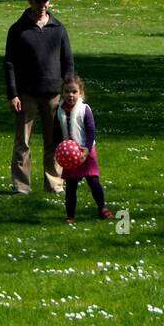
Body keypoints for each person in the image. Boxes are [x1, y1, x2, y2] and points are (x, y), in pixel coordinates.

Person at [4, 0, 73, 195]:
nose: (42, 5)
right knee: (22, 142)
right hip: (26, 94)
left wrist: (68, 91)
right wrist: (13, 93)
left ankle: (54, 183)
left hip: (53, 94)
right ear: (30, 2)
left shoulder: (58, 29)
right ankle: (21, 185)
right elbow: (9, 63)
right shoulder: (18, 30)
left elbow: (68, 61)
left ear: (49, 2)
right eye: (38, 1)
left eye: (45, 0)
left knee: (53, 142)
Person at [57, 75, 113, 224]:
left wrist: (87, 149)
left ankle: (102, 208)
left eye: (74, 91)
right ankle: (70, 215)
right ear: (62, 93)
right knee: (71, 187)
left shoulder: (84, 109)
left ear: (80, 93)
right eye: (67, 91)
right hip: (70, 154)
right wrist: (60, 148)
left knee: (94, 182)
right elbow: (57, 131)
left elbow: (91, 130)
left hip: (86, 151)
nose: (70, 95)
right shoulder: (59, 111)